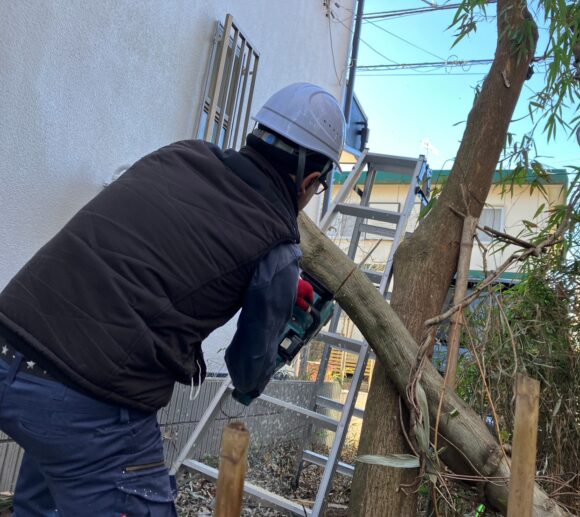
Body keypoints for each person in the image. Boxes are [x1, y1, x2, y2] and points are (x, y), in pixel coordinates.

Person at [0, 82, 345, 516]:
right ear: (310, 181)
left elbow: (161, 247)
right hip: (89, 402)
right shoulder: (278, 244)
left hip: (13, 344)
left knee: (42, 505)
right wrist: (274, 326)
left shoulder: (183, 154)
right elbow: (246, 371)